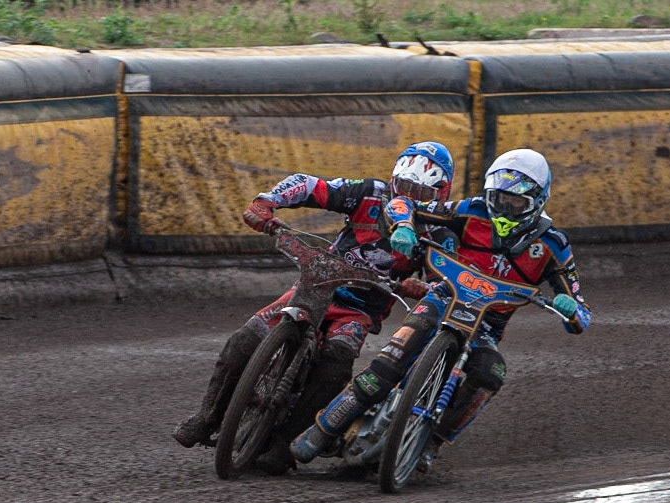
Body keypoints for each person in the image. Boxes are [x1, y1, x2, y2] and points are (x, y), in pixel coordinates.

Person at [290, 148, 592, 469]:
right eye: (498, 198)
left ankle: (433, 440)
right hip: (441, 300)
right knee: (387, 366)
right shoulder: (470, 210)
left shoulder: (553, 245)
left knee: (490, 374)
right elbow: (402, 202)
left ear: (537, 201)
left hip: (484, 328)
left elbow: (581, 312)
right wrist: (404, 225)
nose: (503, 208)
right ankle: (323, 429)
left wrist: (569, 307)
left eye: (515, 202)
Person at [172, 141, 459, 475]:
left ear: (440, 192)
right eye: (405, 187)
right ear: (394, 180)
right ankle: (207, 417)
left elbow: (450, 279)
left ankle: (283, 444)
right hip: (314, 285)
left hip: (359, 310)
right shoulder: (369, 194)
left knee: (335, 364)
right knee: (246, 337)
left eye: (419, 191)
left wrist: (423, 287)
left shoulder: (442, 230)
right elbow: (312, 186)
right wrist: (267, 202)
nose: (410, 197)